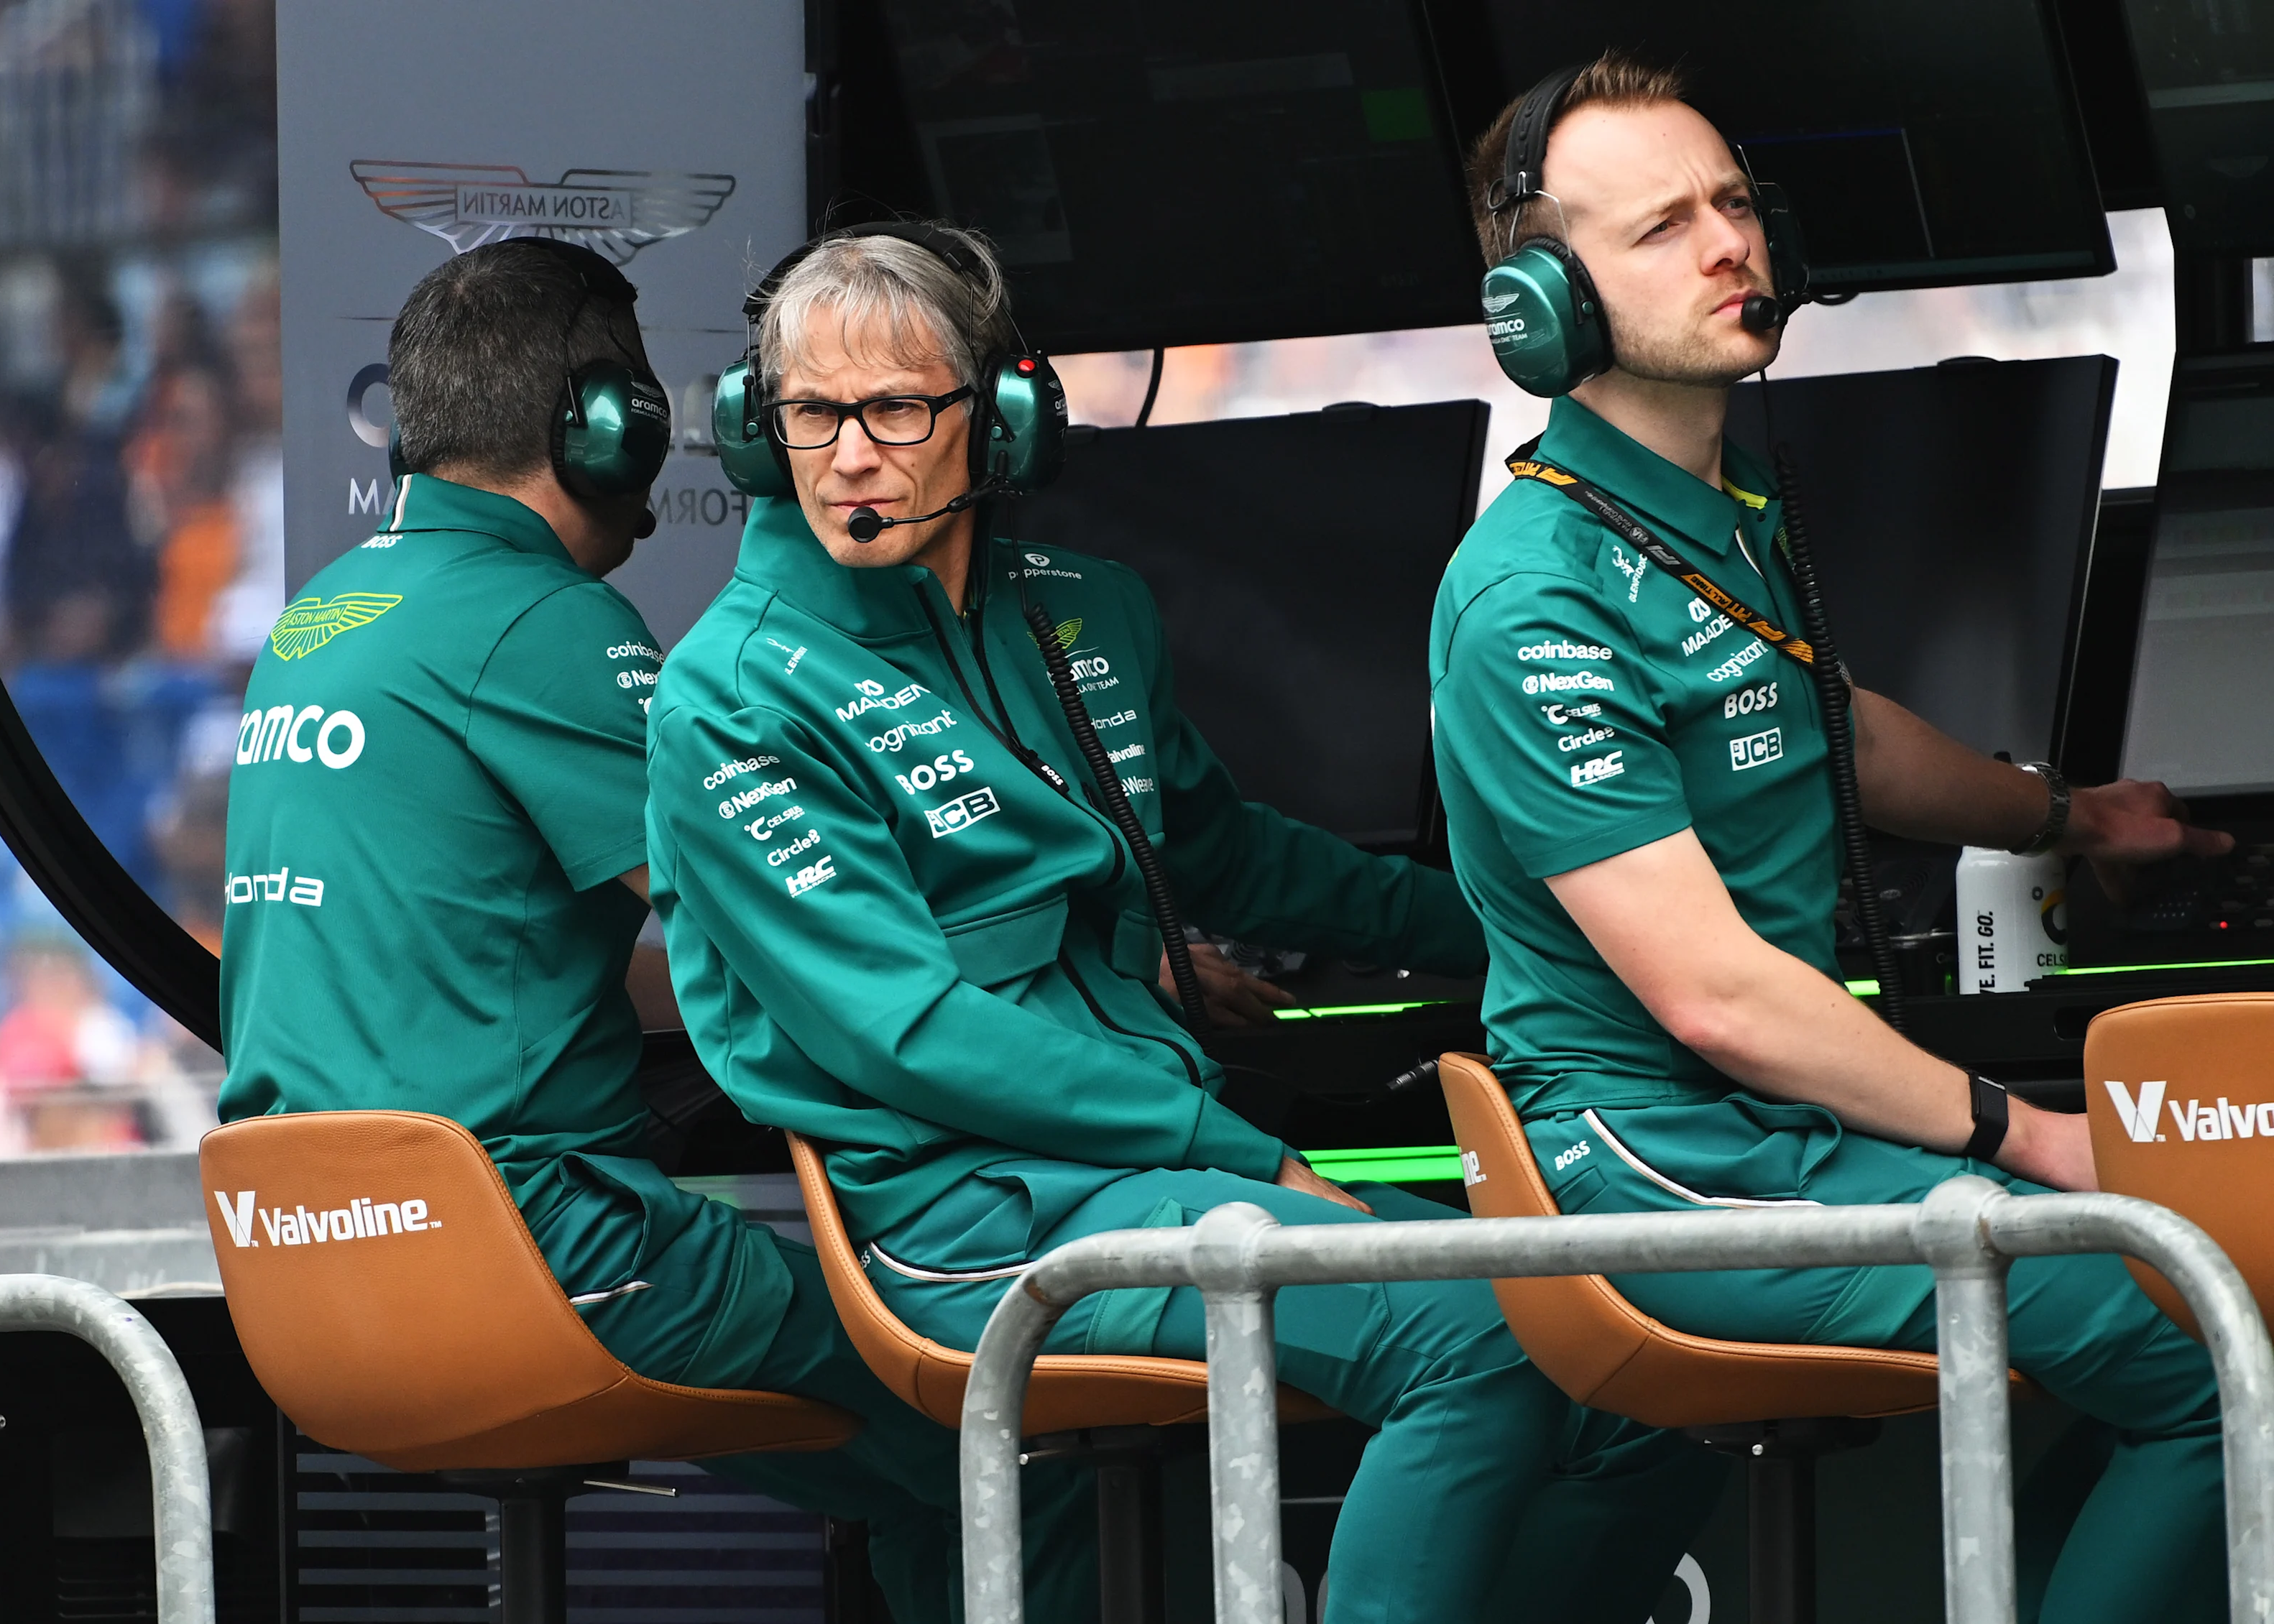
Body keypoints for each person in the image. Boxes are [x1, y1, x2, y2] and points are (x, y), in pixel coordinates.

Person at [646, 222, 1724, 1624]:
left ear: (1004, 417)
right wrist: (1250, 1150)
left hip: (1147, 1165)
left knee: (1649, 1368)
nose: (851, 453)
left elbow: (1219, 851)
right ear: (754, 430)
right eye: (811, 412)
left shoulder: (1083, 615)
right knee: (1485, 1346)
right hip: (967, 1215)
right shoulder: (732, 693)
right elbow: (910, 1031)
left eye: (899, 406)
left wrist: (1535, 929)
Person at [1430, 55, 2234, 1623]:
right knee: (2199, 1339)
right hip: (1653, 1157)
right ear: (1542, 304)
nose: (1731, 244)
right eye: (1663, 225)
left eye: (1734, 203)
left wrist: (2068, 814)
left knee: (2163, 1344)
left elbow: (1835, 727)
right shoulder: (1536, 592)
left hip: (1752, 1134)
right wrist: (2027, 1135)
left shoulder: (1704, 514)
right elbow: (1710, 995)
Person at [216, 237, 1044, 1624]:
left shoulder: (317, 620)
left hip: (311, 1269)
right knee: (994, 1419)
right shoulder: (539, 624)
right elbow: (787, 921)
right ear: (608, 429)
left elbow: (482, 950)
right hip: (528, 1253)